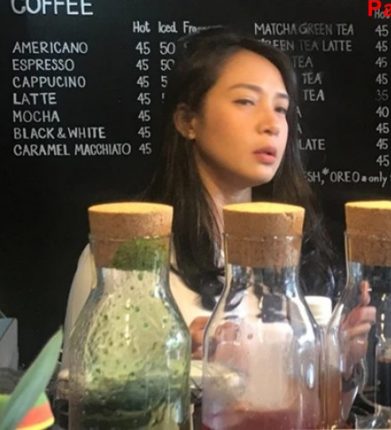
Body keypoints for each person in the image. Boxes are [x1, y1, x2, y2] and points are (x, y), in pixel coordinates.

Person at [63, 27, 374, 363]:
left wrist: (339, 359)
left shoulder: (304, 255)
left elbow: (307, 396)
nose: (271, 124)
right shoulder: (124, 258)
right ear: (187, 121)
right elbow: (82, 387)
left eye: (281, 109)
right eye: (246, 101)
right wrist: (173, 360)